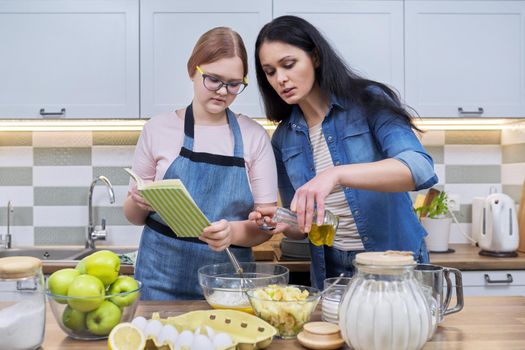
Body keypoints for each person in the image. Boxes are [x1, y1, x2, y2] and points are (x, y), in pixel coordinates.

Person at [250, 15, 438, 289]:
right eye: (270, 71)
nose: (281, 79)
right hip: (332, 270)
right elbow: (302, 227)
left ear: (314, 57)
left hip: (393, 262)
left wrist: (336, 175)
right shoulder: (283, 138)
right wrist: (279, 220)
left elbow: (419, 168)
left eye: (288, 64)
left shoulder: (368, 101)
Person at [124, 27, 277, 300]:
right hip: (158, 280)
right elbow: (134, 218)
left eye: (233, 84)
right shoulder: (157, 129)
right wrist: (138, 201)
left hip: (226, 284)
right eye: (213, 80)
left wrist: (232, 232)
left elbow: (266, 227)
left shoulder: (254, 136)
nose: (223, 91)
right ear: (192, 70)